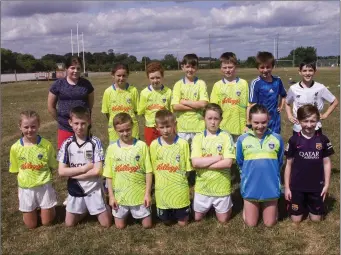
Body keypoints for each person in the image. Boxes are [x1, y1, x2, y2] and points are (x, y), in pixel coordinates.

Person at [57, 106, 112, 227]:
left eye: (83, 123)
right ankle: (86, 209)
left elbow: (97, 171)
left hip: (93, 188)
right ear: (70, 123)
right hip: (75, 188)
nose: (79, 127)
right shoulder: (67, 144)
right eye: (76, 123)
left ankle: (103, 204)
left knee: (106, 224)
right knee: (69, 224)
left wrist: (72, 174)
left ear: (89, 122)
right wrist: (84, 168)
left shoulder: (95, 142)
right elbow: (61, 171)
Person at [236, 104, 284, 227]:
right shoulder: (242, 139)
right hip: (251, 186)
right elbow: (240, 162)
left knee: (270, 223)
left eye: (263, 122)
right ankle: (250, 204)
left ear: (268, 120)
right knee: (251, 224)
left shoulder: (277, 138)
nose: (260, 126)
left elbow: (279, 161)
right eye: (256, 122)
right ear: (250, 121)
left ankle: (272, 204)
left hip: (270, 186)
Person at [284, 104, 334, 223]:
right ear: (299, 121)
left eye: (313, 121)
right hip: (297, 185)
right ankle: (297, 204)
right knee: (296, 220)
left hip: (316, 186)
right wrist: (287, 187)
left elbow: (327, 163)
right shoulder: (293, 140)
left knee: (316, 220)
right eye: (305, 121)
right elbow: (288, 165)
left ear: (317, 120)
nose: (309, 125)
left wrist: (326, 185)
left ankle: (311, 205)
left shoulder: (323, 139)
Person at [103, 113, 153, 229]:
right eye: (121, 131)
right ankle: (127, 212)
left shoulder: (142, 146)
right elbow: (108, 176)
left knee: (147, 225)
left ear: (133, 127)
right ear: (115, 130)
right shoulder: (111, 149)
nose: (125, 133)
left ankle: (137, 211)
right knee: (120, 226)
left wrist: (147, 194)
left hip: (139, 196)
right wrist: (111, 196)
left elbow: (148, 172)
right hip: (121, 197)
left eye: (128, 129)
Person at [9, 110, 58, 229]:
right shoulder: (15, 148)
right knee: (31, 225)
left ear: (38, 125)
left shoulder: (46, 145)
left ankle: (49, 206)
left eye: (33, 126)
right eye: (26, 127)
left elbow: (53, 166)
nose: (30, 130)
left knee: (47, 222)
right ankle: (33, 209)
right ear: (20, 127)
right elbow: (16, 170)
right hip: (26, 189)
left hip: (44, 187)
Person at [191, 103, 235, 223]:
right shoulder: (198, 138)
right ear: (204, 119)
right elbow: (195, 163)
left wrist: (204, 164)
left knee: (223, 220)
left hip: (221, 186)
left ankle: (227, 205)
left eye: (216, 118)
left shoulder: (226, 137)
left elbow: (228, 163)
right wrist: (217, 158)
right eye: (209, 118)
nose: (213, 122)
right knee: (197, 218)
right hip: (203, 187)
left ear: (221, 119)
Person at [149, 110, 192, 226]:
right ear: (156, 127)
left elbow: (188, 170)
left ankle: (180, 209)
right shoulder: (154, 145)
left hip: (179, 190)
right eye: (162, 127)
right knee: (166, 222)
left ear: (175, 125)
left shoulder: (183, 144)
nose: (165, 130)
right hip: (162, 191)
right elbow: (153, 169)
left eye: (168, 126)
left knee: (183, 223)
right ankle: (166, 211)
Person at [48, 56, 94, 150]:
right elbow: (50, 106)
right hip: (65, 127)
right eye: (72, 68)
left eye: (78, 68)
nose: (75, 71)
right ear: (66, 69)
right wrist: (61, 120)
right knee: (66, 155)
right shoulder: (58, 84)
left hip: (83, 127)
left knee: (85, 154)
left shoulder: (86, 84)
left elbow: (90, 105)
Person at [285, 61, 338, 134]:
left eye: (310, 70)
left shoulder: (320, 88)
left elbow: (335, 101)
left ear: (315, 72)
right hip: (298, 127)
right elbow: (287, 102)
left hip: (315, 127)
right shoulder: (293, 88)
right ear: (300, 72)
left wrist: (325, 115)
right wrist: (290, 115)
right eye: (304, 71)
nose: (307, 73)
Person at [210, 52, 250, 142]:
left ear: (235, 66)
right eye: (224, 67)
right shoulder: (217, 85)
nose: (227, 70)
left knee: (239, 155)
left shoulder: (243, 84)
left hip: (241, 128)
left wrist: (248, 125)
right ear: (220, 68)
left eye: (230, 67)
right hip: (223, 128)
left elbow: (248, 106)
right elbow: (213, 109)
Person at [171, 53, 209, 146]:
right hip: (182, 128)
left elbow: (204, 104)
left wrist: (185, 102)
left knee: (198, 154)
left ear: (197, 68)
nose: (190, 69)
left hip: (198, 126)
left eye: (193, 67)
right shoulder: (178, 85)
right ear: (182, 67)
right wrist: (196, 106)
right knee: (183, 154)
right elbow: (175, 106)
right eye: (187, 66)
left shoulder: (201, 83)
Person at [249, 52, 287, 134]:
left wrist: (281, 106)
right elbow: (252, 104)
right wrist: (249, 123)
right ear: (257, 68)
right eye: (262, 67)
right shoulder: (255, 83)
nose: (265, 70)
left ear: (272, 67)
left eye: (268, 67)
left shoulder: (278, 80)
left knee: (274, 142)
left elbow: (283, 95)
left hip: (274, 120)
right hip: (260, 120)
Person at [101, 63, 139, 144]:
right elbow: (107, 113)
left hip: (131, 130)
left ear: (127, 75)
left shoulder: (133, 90)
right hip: (115, 130)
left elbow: (135, 111)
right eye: (118, 75)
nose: (121, 78)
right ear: (113, 75)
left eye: (124, 75)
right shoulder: (108, 92)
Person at [138, 62, 172, 146]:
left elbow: (171, 111)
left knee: (166, 147)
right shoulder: (144, 93)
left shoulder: (168, 91)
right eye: (152, 78)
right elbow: (141, 112)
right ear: (148, 78)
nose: (155, 80)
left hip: (165, 127)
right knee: (151, 149)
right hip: (150, 128)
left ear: (162, 76)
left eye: (158, 77)